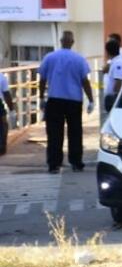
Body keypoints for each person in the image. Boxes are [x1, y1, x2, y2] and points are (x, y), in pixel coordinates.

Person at [38, 30, 94, 173]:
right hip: (74, 100)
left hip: (55, 99)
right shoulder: (79, 59)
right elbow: (84, 81)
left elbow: (42, 79)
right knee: (75, 132)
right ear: (72, 42)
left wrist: (41, 98)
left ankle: (54, 164)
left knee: (54, 133)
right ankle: (76, 162)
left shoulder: (49, 57)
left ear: (61, 41)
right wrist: (91, 99)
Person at [102, 39, 122, 113]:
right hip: (112, 98)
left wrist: (114, 99)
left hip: (114, 99)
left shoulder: (118, 63)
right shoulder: (114, 62)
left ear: (107, 51)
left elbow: (118, 82)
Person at [0, 72, 12, 156]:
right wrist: (11, 109)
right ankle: (2, 146)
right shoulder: (1, 77)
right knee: (3, 124)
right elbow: (6, 94)